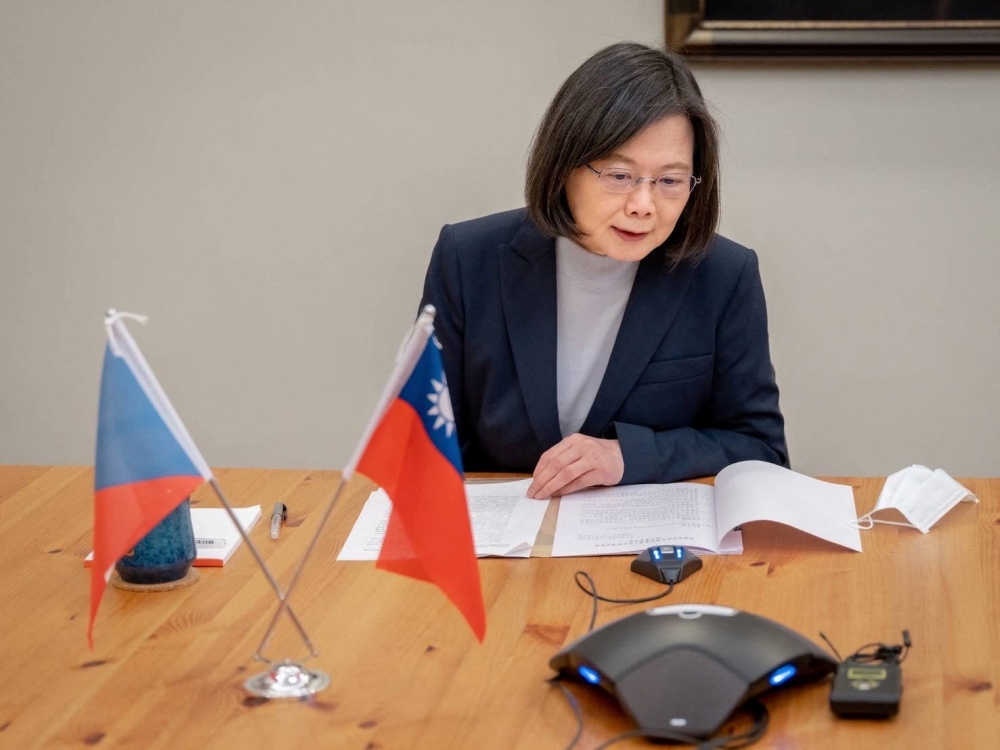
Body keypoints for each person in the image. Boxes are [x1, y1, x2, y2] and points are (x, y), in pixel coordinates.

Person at [419, 42, 787, 500]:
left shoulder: (723, 274)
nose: (643, 206)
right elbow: (427, 442)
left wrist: (628, 456)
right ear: (563, 167)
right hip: (497, 545)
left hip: (644, 548)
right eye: (618, 175)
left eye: (670, 181)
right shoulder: (467, 257)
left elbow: (760, 449)